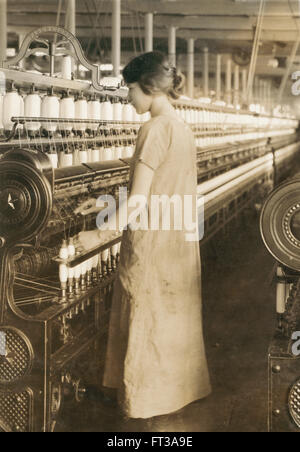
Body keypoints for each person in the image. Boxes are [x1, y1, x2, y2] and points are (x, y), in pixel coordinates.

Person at [75, 51, 211, 420]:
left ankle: (143, 401)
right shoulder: (181, 128)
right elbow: (159, 190)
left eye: (130, 88)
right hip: (177, 240)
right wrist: (102, 203)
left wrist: (98, 236)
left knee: (147, 316)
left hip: (153, 242)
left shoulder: (153, 129)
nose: (127, 96)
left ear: (149, 87)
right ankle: (175, 392)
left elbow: (139, 201)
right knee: (171, 316)